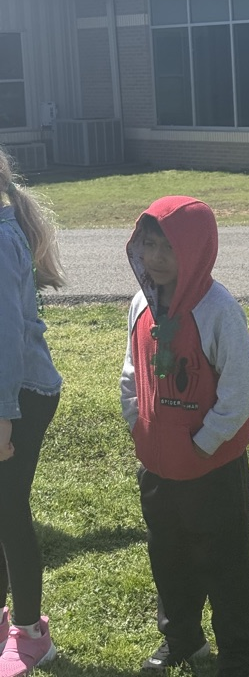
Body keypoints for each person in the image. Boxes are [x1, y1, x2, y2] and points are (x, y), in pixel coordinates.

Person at [121, 196, 249, 677]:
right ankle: (183, 638)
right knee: (169, 557)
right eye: (149, 245)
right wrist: (138, 424)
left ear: (197, 250)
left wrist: (204, 443)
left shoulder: (218, 309)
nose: (156, 257)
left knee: (227, 567)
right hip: (158, 466)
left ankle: (241, 658)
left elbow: (242, 386)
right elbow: (131, 371)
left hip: (212, 469)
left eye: (169, 247)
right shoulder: (141, 303)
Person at [0, 148, 64, 677]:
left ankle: (29, 633)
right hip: (4, 395)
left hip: (19, 394)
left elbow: (5, 344)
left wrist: (2, 416)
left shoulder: (0, 241)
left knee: (8, 511)